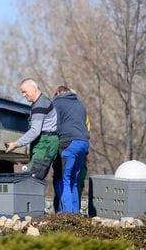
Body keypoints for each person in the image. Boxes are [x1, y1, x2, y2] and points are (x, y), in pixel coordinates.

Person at [5, 78, 59, 180]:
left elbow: (35, 131)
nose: (23, 95)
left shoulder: (40, 105)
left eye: (25, 92)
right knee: (32, 178)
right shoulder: (39, 102)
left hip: (45, 144)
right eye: (22, 93)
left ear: (34, 88)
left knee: (32, 179)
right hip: (42, 144)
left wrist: (16, 144)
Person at [51, 85, 90, 213]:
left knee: (64, 180)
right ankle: (75, 214)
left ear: (57, 93)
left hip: (68, 144)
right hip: (83, 144)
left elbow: (54, 125)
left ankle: (67, 216)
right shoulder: (80, 104)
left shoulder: (57, 102)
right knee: (73, 180)